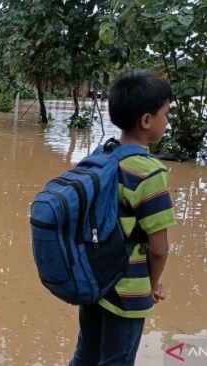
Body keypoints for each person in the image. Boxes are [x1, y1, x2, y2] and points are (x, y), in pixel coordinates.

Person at [70, 69, 177, 365]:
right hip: (127, 290)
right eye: (165, 115)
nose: (167, 122)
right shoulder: (150, 172)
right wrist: (151, 285)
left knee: (85, 355)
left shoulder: (99, 155)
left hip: (93, 281)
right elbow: (158, 249)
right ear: (146, 120)